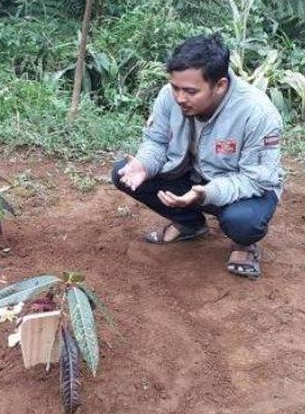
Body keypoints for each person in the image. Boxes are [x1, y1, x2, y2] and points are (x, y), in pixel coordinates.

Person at [112, 33, 283, 279]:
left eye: (191, 91)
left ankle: (244, 244)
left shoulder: (258, 113)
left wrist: (208, 193)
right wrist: (144, 164)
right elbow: (157, 141)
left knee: (243, 222)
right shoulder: (168, 96)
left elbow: (256, 179)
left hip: (245, 187)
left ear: (220, 85)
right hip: (191, 176)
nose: (180, 98)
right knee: (124, 173)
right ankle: (190, 224)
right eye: (175, 87)